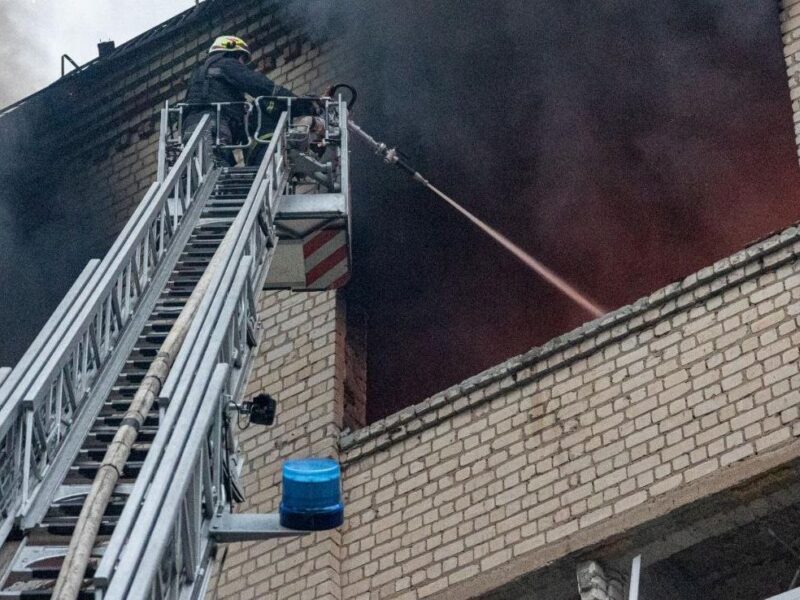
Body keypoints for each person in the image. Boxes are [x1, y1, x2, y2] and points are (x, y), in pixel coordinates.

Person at [181, 35, 295, 166]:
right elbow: (257, 84)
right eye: (242, 58)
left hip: (190, 126)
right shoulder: (226, 63)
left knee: (202, 168)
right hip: (213, 125)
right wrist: (291, 99)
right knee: (216, 166)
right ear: (231, 52)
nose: (242, 63)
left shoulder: (200, 74)